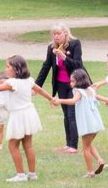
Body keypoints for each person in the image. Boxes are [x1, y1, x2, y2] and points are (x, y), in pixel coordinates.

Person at [0, 55, 55, 182]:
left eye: (8, 66)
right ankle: (32, 174)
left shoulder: (12, 83)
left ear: (16, 69)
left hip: (18, 115)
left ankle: (20, 175)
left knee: (12, 146)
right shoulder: (28, 80)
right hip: (29, 113)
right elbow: (39, 90)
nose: (6, 69)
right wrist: (51, 99)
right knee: (28, 145)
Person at [35, 23, 86, 154]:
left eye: (59, 33)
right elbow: (46, 66)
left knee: (71, 114)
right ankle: (68, 144)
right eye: (54, 34)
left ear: (66, 34)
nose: (56, 36)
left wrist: (63, 56)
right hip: (61, 84)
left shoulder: (75, 44)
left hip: (74, 84)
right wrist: (36, 86)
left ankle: (73, 146)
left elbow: (78, 65)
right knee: (66, 115)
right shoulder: (51, 48)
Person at [54, 69, 105, 178]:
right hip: (96, 123)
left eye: (72, 81)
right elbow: (97, 97)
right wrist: (107, 99)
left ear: (79, 81)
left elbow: (73, 101)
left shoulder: (79, 92)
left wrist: (60, 100)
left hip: (88, 124)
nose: (70, 83)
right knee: (89, 144)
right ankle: (100, 160)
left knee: (85, 148)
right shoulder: (90, 90)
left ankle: (90, 172)